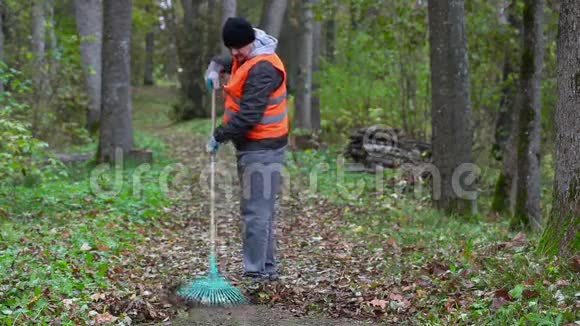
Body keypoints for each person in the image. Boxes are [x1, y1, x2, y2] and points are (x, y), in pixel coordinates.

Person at [204, 17, 288, 281]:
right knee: (260, 210)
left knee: (256, 213)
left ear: (252, 41)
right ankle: (266, 269)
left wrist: (219, 135)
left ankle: (256, 274)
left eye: (238, 47)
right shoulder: (249, 53)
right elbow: (229, 60)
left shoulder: (264, 68)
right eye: (231, 47)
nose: (234, 53)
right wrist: (214, 68)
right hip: (254, 146)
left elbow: (249, 114)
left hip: (263, 148)